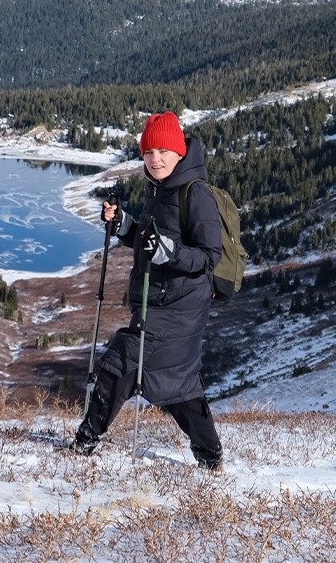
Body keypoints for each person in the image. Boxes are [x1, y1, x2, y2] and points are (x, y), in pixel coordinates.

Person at [72, 111, 225, 470]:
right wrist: (124, 224)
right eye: (148, 152)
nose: (155, 159)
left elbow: (209, 256)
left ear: (179, 152)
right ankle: (210, 455)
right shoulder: (160, 188)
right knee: (177, 382)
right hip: (158, 303)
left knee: (121, 361)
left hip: (180, 308)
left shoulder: (195, 193)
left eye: (163, 151)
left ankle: (85, 442)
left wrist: (167, 252)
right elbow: (149, 239)